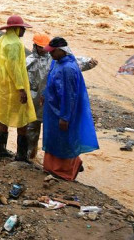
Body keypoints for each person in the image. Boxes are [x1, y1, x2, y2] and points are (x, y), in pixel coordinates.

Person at [41, 37, 98, 180]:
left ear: (61, 50)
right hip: (53, 109)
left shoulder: (68, 69)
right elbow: (50, 81)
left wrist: (65, 117)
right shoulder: (57, 62)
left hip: (61, 111)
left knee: (64, 141)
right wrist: (44, 94)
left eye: (52, 51)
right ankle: (52, 167)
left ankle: (65, 171)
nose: (50, 54)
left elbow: (69, 95)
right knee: (53, 139)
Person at [0, 14, 37, 162]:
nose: (23, 31)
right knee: (22, 119)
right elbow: (15, 68)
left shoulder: (2, 40)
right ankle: (21, 154)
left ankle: (0, 149)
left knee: (4, 117)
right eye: (22, 28)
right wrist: (21, 88)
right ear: (16, 28)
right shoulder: (15, 44)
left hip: (3, 87)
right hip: (14, 87)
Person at [24, 32, 52, 160]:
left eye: (44, 46)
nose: (42, 49)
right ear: (35, 46)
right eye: (40, 46)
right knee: (31, 128)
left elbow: (73, 62)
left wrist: (89, 62)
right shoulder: (28, 61)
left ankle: (52, 159)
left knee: (51, 129)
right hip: (33, 99)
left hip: (49, 99)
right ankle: (30, 155)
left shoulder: (53, 59)